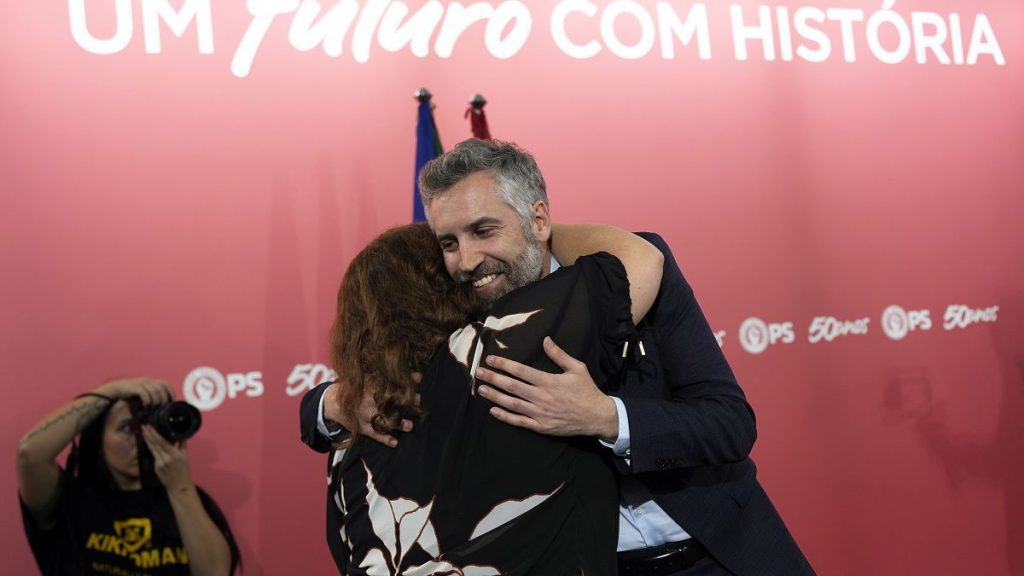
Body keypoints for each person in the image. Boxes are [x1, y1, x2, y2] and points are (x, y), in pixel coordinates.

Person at [303, 139, 813, 575]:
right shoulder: (457, 325)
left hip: (719, 548)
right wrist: (330, 404)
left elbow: (729, 423)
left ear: (539, 217)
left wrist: (607, 418)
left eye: (485, 231)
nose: (466, 261)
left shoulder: (627, 278)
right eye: (448, 242)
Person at [318, 221, 663, 574]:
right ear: (443, 285)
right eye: (451, 251)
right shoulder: (495, 354)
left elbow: (345, 550)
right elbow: (638, 258)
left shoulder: (347, 422)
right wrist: (535, 229)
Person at [17, 377, 240, 575]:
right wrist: (111, 391)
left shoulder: (187, 499)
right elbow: (30, 454)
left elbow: (215, 572)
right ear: (99, 442)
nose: (140, 438)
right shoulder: (72, 502)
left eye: (146, 427)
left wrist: (180, 486)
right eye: (127, 428)